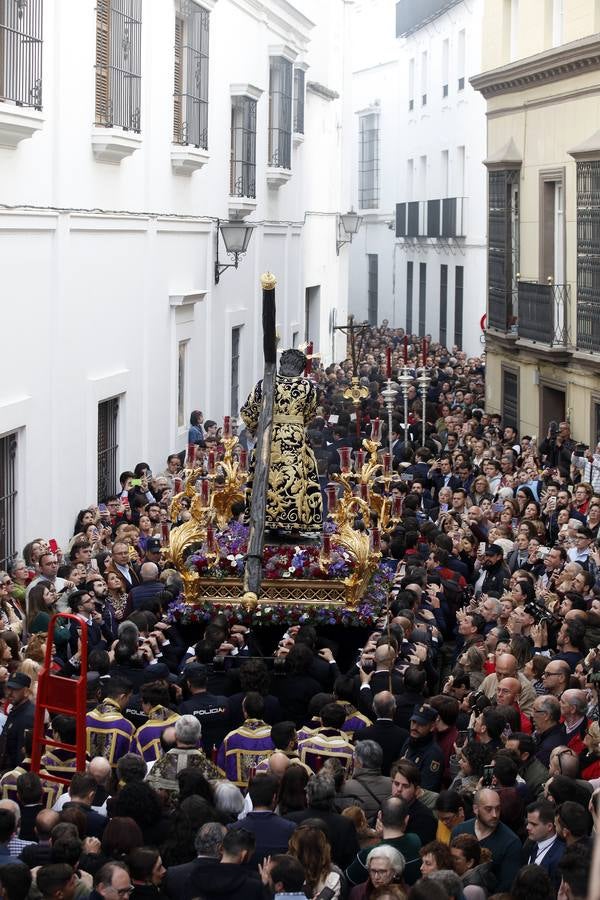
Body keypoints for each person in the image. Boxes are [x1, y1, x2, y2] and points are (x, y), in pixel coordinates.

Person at [240, 347, 323, 533]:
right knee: (296, 476)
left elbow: (249, 413)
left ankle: (264, 517)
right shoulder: (308, 387)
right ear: (301, 368)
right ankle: (295, 520)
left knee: (265, 475)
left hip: (269, 436)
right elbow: (310, 415)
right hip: (295, 439)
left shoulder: (264, 384)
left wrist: (255, 428)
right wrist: (295, 424)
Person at [451, 789, 521, 892]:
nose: (495, 815)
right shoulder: (459, 830)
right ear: (475, 809)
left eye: (498, 809)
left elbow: (507, 886)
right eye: (488, 809)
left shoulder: (511, 843)